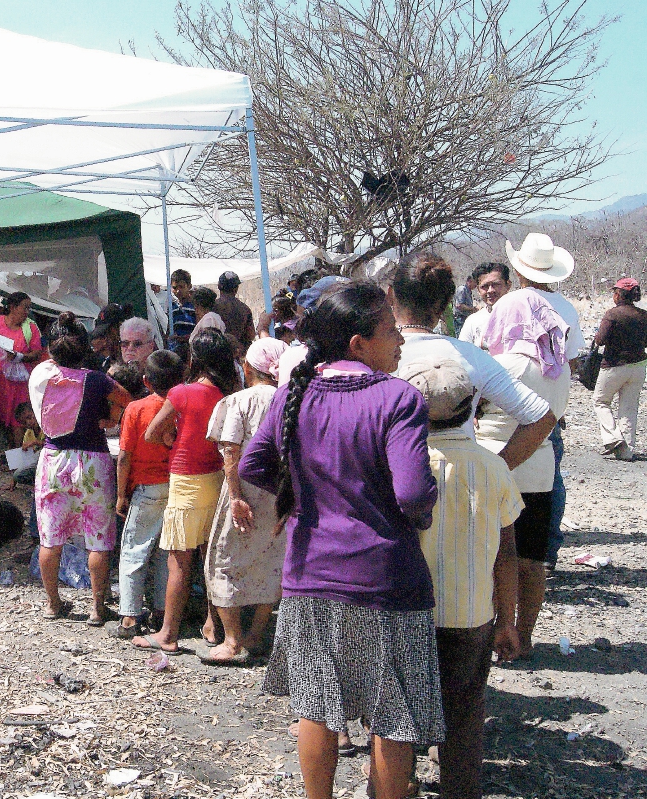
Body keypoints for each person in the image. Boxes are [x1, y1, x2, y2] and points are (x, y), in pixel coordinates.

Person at [239, 281, 443, 799]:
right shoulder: (398, 397)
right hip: (386, 579)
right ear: (358, 343)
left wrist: (302, 500)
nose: (400, 341)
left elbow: (253, 465)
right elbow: (414, 490)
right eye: (391, 331)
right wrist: (422, 511)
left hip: (310, 575)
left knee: (317, 706)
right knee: (392, 712)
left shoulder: (294, 394)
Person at [397, 358, 521, 799]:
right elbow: (506, 556)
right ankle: (460, 790)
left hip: (405, 613)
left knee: (398, 710)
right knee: (465, 713)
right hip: (471, 615)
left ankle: (397, 782)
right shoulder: (494, 469)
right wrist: (507, 620)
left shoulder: (398, 468)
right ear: (473, 408)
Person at [390, 252, 556, 464]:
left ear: (390, 295)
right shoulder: (469, 356)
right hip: (462, 487)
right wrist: (496, 470)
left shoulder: (375, 355)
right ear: (448, 301)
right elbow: (541, 417)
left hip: (392, 488)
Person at [476, 290, 570, 659]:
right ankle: (525, 637)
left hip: (495, 463)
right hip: (540, 467)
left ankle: (495, 633)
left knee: (495, 555)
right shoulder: (557, 369)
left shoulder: (500, 365)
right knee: (532, 558)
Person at [132, 328, 239, 653]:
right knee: (211, 557)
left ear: (196, 358)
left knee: (179, 562)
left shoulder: (180, 393)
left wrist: (172, 439)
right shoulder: (227, 393)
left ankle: (168, 634)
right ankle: (213, 624)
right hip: (216, 479)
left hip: (185, 482)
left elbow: (152, 434)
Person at [29, 313, 131, 624]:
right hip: (93, 460)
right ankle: (98, 608)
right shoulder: (97, 380)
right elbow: (128, 399)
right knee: (98, 538)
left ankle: (53, 603)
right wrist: (112, 417)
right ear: (85, 347)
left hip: (52, 461)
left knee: (50, 537)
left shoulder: (40, 375)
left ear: (52, 347)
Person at [201, 337, 288, 664]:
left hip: (244, 491)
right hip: (279, 494)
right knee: (270, 560)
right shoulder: (290, 400)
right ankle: (256, 635)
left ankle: (233, 639)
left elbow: (230, 451)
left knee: (222, 559)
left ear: (248, 368)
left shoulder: (238, 402)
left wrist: (236, 497)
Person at [504, 233, 579, 572]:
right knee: (549, 482)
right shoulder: (567, 309)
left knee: (504, 480)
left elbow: (497, 358)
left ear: (520, 270)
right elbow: (571, 363)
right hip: (551, 408)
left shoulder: (511, 303)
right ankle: (544, 552)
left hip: (510, 409)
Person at [110, 350, 185, 640]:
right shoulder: (183, 406)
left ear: (146, 380)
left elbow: (124, 456)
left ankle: (129, 616)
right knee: (166, 552)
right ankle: (161, 611)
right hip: (177, 485)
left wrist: (120, 494)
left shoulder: (136, 409)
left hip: (146, 488)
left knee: (134, 550)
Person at [593, 277, 647, 461]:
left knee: (601, 401)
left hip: (614, 366)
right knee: (629, 408)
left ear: (619, 295)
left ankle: (613, 437)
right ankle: (627, 450)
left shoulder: (613, 314)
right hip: (639, 366)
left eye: (615, 292)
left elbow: (600, 340)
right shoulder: (643, 315)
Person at [0, 292, 44, 446]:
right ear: (12, 307)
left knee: (18, 418)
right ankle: (6, 454)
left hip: (19, 382)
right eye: (24, 308)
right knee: (1, 416)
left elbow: (37, 353)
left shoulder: (30, 328)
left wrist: (19, 357)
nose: (27, 312)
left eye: (29, 308)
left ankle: (19, 456)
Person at [457, 263, 511, 348]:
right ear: (478, 290)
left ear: (508, 285)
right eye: (484, 286)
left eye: (496, 284)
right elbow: (463, 354)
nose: (490, 290)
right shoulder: (472, 321)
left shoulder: (522, 317)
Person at [214, 271, 255, 344]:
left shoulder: (212, 306)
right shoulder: (244, 309)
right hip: (237, 350)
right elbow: (251, 335)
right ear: (236, 288)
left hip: (216, 349)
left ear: (219, 286)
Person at [167, 269, 197, 350]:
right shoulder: (172, 307)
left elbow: (200, 330)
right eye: (174, 287)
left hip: (191, 349)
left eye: (181, 287)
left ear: (189, 286)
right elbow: (169, 329)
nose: (178, 291)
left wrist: (184, 338)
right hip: (175, 350)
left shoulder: (196, 306)